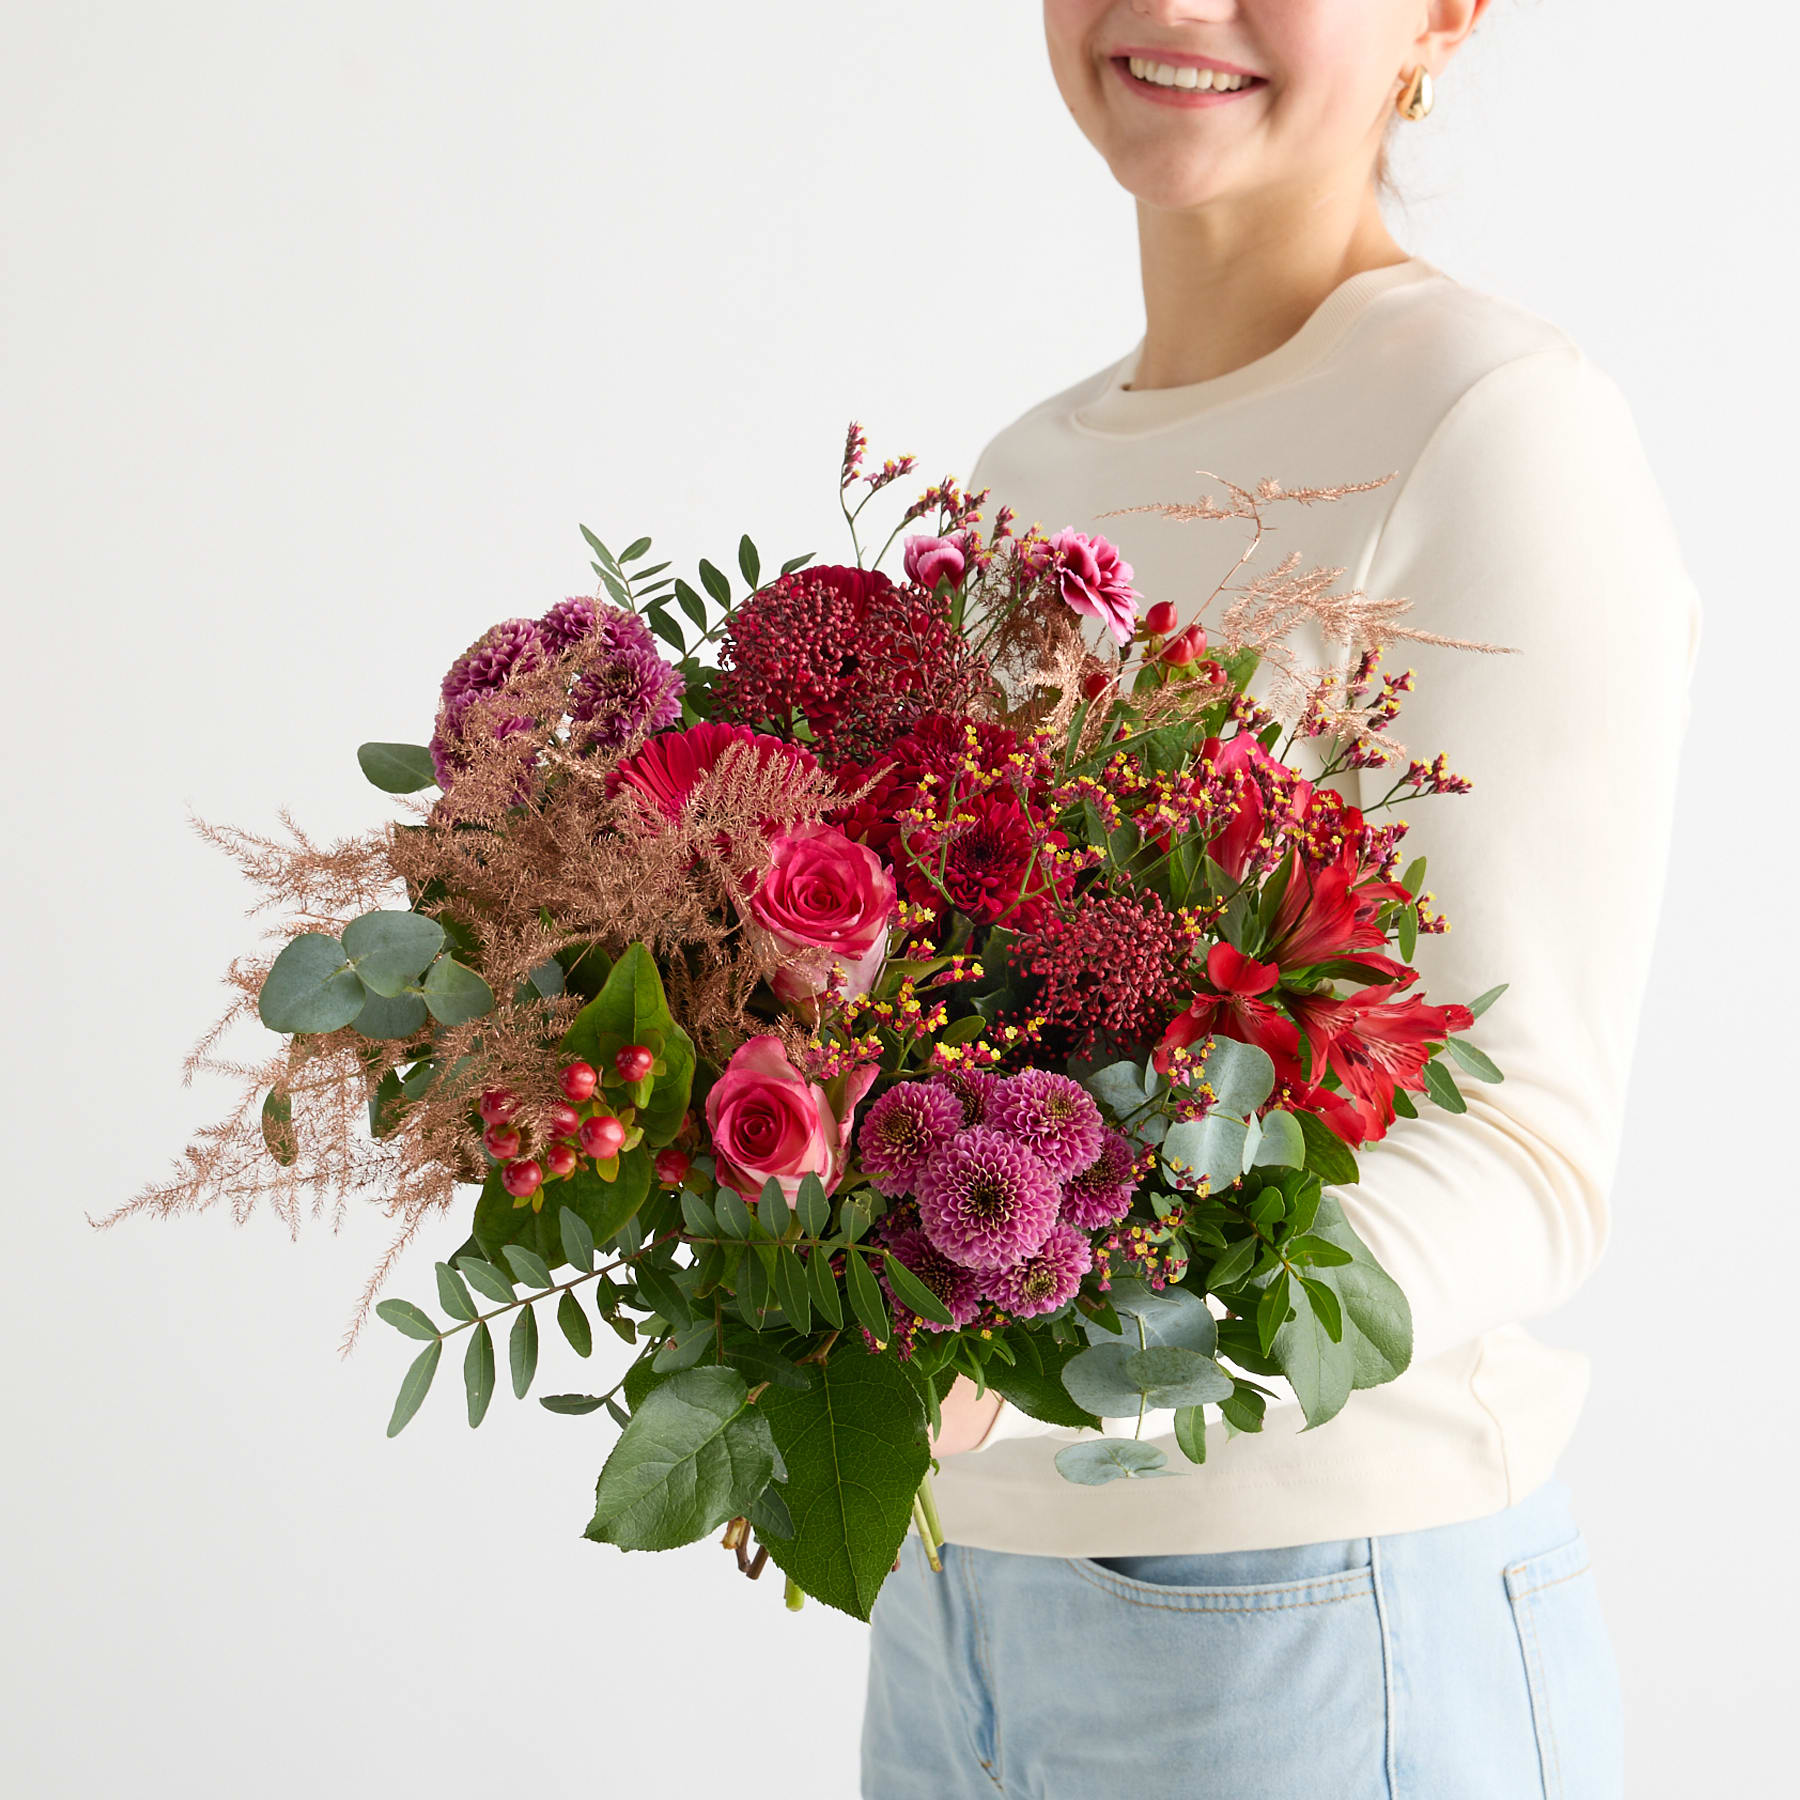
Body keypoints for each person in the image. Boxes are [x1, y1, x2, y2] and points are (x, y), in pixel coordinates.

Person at [860, 4, 1701, 1796]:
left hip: (1315, 1627)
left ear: (1444, 17)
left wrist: (1041, 1352)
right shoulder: (1021, 480)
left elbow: (1529, 1150)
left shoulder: (1496, 425)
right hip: (952, 1607)